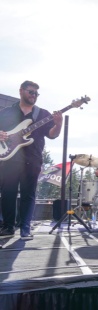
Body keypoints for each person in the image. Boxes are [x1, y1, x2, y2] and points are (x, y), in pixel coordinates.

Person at [0, 80, 63, 240]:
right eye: (31, 92)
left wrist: (58, 123)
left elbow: (53, 135)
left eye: (36, 93)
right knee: (8, 194)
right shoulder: (6, 112)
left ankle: (25, 229)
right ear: (21, 91)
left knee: (29, 194)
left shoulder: (43, 114)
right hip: (9, 158)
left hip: (32, 159)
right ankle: (8, 227)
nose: (34, 95)